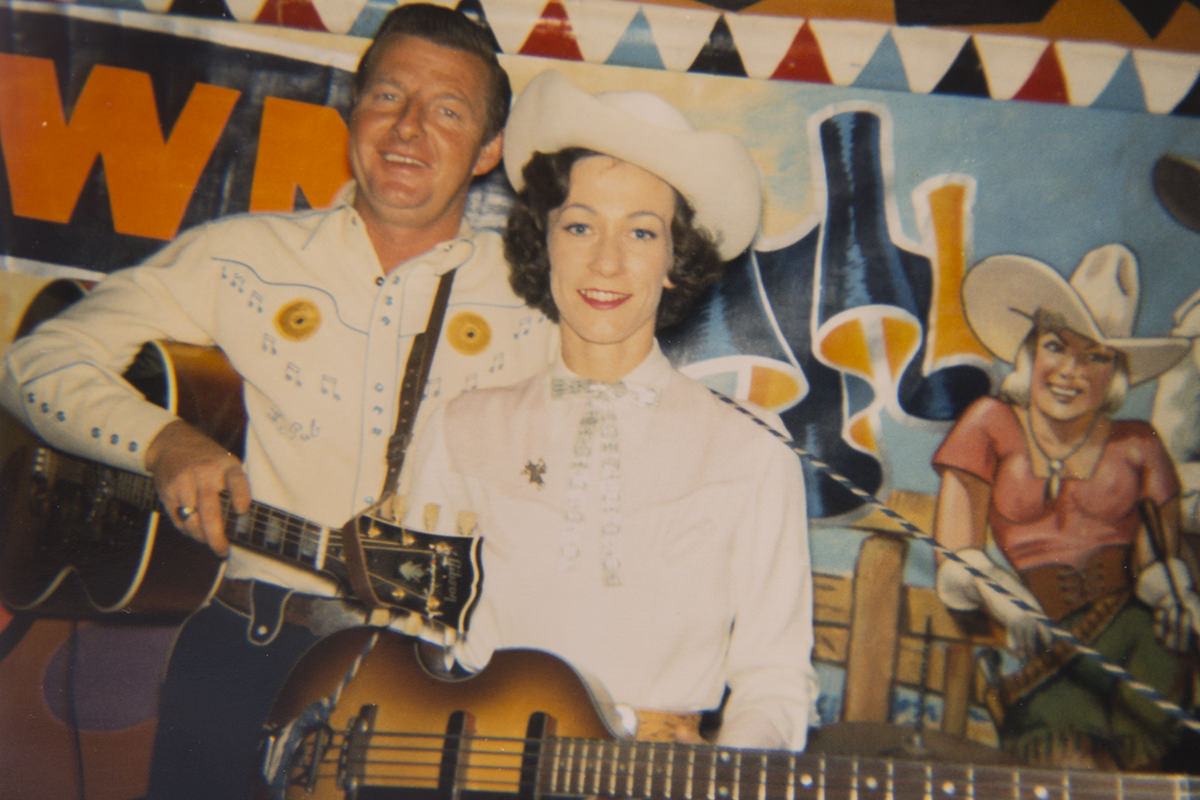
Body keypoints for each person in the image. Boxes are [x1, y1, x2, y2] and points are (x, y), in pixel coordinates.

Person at [0, 4, 556, 797]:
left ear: (488, 150)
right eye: (388, 97)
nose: (407, 130)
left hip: (434, 685)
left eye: (448, 111)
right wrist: (163, 443)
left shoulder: (536, 295)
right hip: (241, 659)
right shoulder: (244, 255)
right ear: (353, 111)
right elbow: (31, 362)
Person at [400, 69, 817, 750]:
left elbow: (774, 684)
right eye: (581, 225)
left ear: (676, 261)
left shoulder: (753, 449)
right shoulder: (464, 427)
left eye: (643, 234)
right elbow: (412, 645)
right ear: (547, 242)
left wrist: (708, 781)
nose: (607, 262)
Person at [931, 243, 1198, 769]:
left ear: (1115, 373)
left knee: (1151, 761)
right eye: (1057, 346)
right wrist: (1003, 599)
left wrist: (1174, 588)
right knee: (1069, 762)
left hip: (1137, 638)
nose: (1070, 372)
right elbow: (954, 564)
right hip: (1048, 654)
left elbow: (1154, 564)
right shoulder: (988, 423)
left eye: (1095, 356)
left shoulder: (1139, 444)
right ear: (1031, 352)